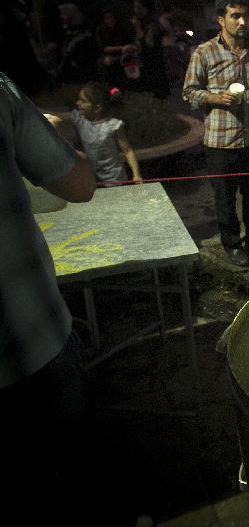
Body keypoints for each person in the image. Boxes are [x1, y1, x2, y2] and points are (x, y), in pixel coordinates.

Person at [0, 72, 98, 523]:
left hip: (33, 340)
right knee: (74, 468)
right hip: (33, 340)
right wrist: (54, 131)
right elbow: (80, 185)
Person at [183, 0, 249, 267]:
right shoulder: (204, 53)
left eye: (245, 16)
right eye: (235, 16)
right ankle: (232, 244)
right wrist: (215, 97)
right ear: (220, 20)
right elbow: (189, 92)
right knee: (225, 198)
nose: (242, 22)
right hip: (220, 142)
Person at [71, 82, 142, 186]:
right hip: (93, 178)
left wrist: (136, 174)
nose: (78, 103)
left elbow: (127, 150)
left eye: (83, 101)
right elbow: (58, 117)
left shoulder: (112, 125)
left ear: (97, 108)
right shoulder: (80, 120)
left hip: (115, 179)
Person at [131, 0, 171, 99]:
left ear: (146, 9)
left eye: (139, 8)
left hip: (152, 64)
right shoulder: (142, 22)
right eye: (135, 8)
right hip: (144, 63)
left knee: (154, 95)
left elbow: (149, 44)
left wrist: (138, 27)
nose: (136, 11)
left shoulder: (152, 24)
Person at [95, 10, 132, 87]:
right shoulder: (101, 29)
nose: (109, 20)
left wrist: (124, 49)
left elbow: (128, 44)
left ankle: (125, 86)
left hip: (122, 54)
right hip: (107, 55)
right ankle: (110, 87)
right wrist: (121, 48)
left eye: (111, 17)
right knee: (107, 61)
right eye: (107, 18)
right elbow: (104, 48)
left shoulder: (121, 29)